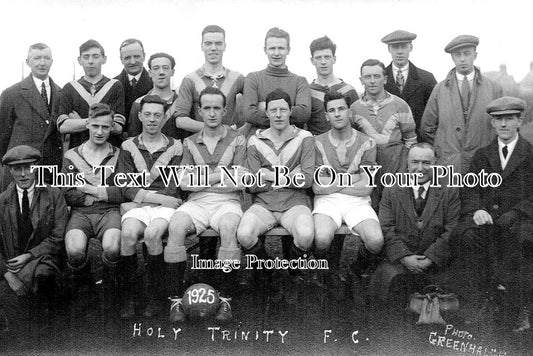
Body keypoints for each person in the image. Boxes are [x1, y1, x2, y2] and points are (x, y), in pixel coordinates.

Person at [451, 97, 533, 332]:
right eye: (499, 120)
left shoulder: (530, 153)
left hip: (520, 220)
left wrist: (517, 212)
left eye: (509, 119)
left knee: (523, 241)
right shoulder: (482, 155)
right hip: (485, 218)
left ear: (520, 121)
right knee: (466, 237)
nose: (504, 125)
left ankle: (519, 308)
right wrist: (476, 209)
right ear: (493, 124)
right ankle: (478, 304)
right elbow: (469, 188)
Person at [167, 86, 247, 323]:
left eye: (217, 108)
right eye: (207, 108)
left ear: (225, 111)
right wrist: (221, 175)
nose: (212, 113)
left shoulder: (238, 139)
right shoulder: (189, 142)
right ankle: (175, 302)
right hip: (197, 203)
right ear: (199, 111)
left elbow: (241, 181)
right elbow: (183, 183)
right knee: (176, 225)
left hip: (228, 201)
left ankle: (226, 301)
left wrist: (201, 180)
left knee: (230, 228)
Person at [237, 88, 315, 292]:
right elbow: (252, 184)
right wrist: (291, 175)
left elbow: (306, 180)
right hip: (264, 204)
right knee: (245, 234)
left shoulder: (305, 137)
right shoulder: (255, 140)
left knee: (305, 235)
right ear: (267, 113)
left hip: (295, 203)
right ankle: (269, 270)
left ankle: (291, 273)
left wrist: (269, 174)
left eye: (283, 109)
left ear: (291, 111)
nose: (278, 114)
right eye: (273, 110)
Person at [368, 143, 460, 307]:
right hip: (400, 260)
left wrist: (431, 258)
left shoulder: (449, 190)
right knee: (386, 283)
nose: (420, 168)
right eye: (415, 162)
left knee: (448, 295)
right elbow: (386, 228)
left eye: (426, 163)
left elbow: (452, 229)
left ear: (436, 164)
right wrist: (404, 257)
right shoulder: (392, 189)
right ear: (407, 163)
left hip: (435, 261)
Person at [312, 91, 383, 296]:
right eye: (332, 110)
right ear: (326, 116)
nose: (337, 114)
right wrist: (354, 178)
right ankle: (327, 271)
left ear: (349, 112)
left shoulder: (367, 142)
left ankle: (356, 268)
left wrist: (333, 181)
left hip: (357, 200)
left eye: (341, 109)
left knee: (375, 241)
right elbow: (317, 186)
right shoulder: (316, 142)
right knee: (322, 238)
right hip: (327, 200)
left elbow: (367, 186)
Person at [118, 95, 183, 319]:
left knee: (153, 234)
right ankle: (130, 296)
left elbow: (173, 188)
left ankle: (156, 296)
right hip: (149, 204)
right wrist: (157, 199)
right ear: (139, 116)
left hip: (160, 207)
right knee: (127, 235)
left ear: (165, 117)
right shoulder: (128, 146)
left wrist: (147, 198)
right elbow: (125, 185)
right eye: (147, 114)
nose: (152, 119)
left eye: (157, 115)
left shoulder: (175, 146)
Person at [62, 103, 123, 311]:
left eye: (105, 127)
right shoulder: (72, 155)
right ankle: (83, 285)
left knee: (112, 247)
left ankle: (108, 286)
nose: (99, 132)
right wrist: (91, 197)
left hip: (110, 212)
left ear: (111, 127)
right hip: (82, 213)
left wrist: (90, 188)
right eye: (95, 125)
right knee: (75, 250)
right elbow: (67, 192)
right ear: (87, 124)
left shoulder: (119, 154)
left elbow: (123, 190)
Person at [0, 145, 68, 330]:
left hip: (43, 261)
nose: (23, 174)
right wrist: (8, 274)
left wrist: (29, 255)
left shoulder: (53, 195)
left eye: (28, 167)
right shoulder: (2, 201)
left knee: (42, 279)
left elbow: (58, 237)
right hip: (11, 267)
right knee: (9, 296)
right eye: (17, 168)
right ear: (10, 170)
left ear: (37, 168)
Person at [420, 35, 503, 174]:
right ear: (452, 58)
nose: (462, 59)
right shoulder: (439, 89)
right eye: (458, 55)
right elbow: (427, 127)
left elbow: (501, 126)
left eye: (467, 53)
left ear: (475, 55)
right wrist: (443, 148)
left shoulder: (493, 88)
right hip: (448, 166)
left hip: (483, 165)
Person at [351, 59, 417, 209]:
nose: (372, 81)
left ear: (385, 79)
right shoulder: (354, 108)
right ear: (361, 80)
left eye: (377, 76)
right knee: (370, 207)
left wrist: (404, 168)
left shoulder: (400, 105)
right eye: (367, 77)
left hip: (395, 165)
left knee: (396, 207)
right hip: (367, 166)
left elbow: (410, 139)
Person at [0, 43, 62, 191]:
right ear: (28, 62)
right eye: (37, 58)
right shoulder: (11, 94)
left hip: (50, 169)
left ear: (52, 62)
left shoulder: (61, 93)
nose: (42, 63)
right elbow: (2, 136)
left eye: (46, 58)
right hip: (21, 168)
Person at [172, 25, 244, 140]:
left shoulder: (237, 78)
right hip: (201, 143)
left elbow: (252, 109)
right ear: (202, 46)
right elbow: (180, 121)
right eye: (208, 43)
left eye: (218, 43)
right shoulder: (190, 79)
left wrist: (242, 130)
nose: (213, 48)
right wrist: (216, 129)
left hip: (230, 143)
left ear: (225, 46)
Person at [57, 39, 126, 150]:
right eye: (86, 57)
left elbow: (117, 127)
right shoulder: (69, 88)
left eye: (95, 56)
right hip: (78, 152)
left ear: (104, 59)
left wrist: (81, 122)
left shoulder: (115, 86)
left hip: (109, 153)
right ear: (79, 60)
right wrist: (102, 122)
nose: (90, 61)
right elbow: (63, 126)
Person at [243, 27, 310, 136]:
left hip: (292, 142)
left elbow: (303, 114)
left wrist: (265, 107)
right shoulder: (253, 78)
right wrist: (287, 110)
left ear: (288, 50)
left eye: (281, 48)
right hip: (260, 143)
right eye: (272, 48)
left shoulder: (299, 81)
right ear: (265, 50)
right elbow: (249, 114)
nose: (276, 53)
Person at [381, 30, 437, 136]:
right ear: (389, 49)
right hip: (388, 142)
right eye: (395, 47)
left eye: (403, 47)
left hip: (418, 142)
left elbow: (435, 114)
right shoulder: (379, 79)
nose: (400, 52)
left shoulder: (426, 79)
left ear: (411, 48)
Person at [308, 36, 358, 136]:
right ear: (312, 61)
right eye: (318, 58)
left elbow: (357, 123)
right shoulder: (307, 92)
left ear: (334, 59)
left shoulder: (348, 90)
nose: (323, 62)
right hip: (317, 146)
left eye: (327, 57)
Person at [128, 53, 179, 138]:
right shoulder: (138, 103)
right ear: (150, 73)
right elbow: (133, 139)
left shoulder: (182, 102)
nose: (161, 72)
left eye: (165, 68)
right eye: (156, 68)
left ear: (172, 72)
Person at [114, 39, 152, 132]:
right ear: (121, 59)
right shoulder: (112, 85)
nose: (132, 62)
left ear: (144, 56)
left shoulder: (154, 83)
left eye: (136, 56)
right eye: (127, 58)